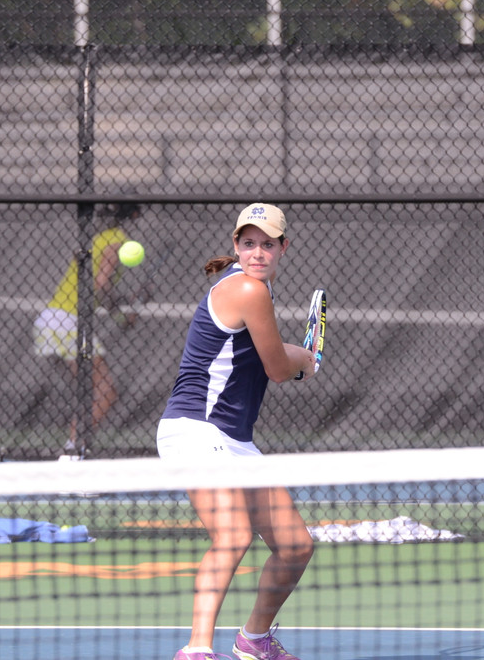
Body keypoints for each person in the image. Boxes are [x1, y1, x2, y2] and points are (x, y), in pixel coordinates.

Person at [157, 203, 317, 660]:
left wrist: (296, 358)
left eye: (268, 244)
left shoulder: (254, 292)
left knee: (294, 546)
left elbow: (265, 350)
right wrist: (303, 366)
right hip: (193, 430)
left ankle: (254, 639)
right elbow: (279, 369)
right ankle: (197, 649)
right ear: (236, 245)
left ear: (283, 247)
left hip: (233, 440)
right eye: (249, 243)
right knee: (232, 535)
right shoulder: (248, 289)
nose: (258, 252)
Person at [33, 203, 140, 458]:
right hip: (69, 323)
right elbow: (101, 285)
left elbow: (97, 287)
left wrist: (120, 307)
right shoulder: (117, 241)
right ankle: (72, 454)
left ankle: (75, 451)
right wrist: (121, 313)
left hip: (50, 321)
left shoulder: (97, 239)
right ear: (133, 216)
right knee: (105, 392)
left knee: (89, 392)